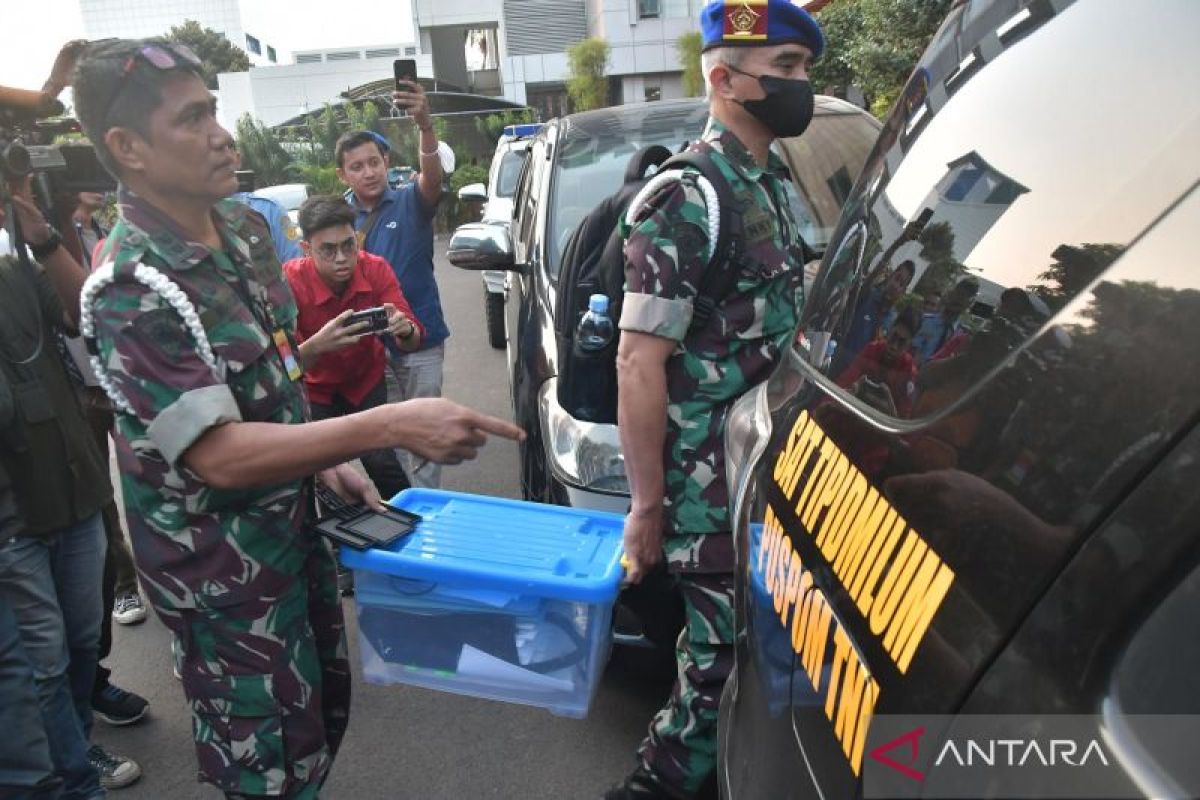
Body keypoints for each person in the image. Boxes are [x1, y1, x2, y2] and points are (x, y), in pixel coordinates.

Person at [73, 38, 522, 800]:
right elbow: (214, 454)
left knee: (317, 724)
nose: (219, 132)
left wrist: (321, 458)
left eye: (213, 109)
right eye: (192, 118)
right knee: (266, 765)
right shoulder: (131, 282)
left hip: (291, 536)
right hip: (222, 580)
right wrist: (385, 426)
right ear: (128, 148)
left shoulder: (243, 236)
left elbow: (272, 377)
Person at [609, 3, 824, 798]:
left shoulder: (767, 184)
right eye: (788, 70)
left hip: (762, 470)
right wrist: (646, 506)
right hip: (707, 486)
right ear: (725, 79)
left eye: (804, 69)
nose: (802, 87)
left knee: (753, 665)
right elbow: (639, 361)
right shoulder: (687, 197)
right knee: (719, 666)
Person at [0, 179, 141, 796]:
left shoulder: (13, 270)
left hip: (76, 492)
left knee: (83, 644)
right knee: (45, 664)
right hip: (12, 520)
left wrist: (43, 238)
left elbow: (86, 314)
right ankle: (76, 774)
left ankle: (76, 744)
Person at [336, 103, 450, 489]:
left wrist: (424, 124)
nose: (368, 172)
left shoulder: (410, 201)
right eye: (357, 166)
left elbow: (432, 178)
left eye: (374, 162)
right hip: (367, 348)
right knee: (390, 432)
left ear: (386, 163)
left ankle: (429, 505)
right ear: (343, 174)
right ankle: (406, 504)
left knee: (426, 426)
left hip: (422, 340)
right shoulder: (338, 220)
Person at [284, 194, 423, 503]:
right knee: (324, 471)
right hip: (316, 390)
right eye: (328, 250)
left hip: (365, 380)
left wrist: (405, 329)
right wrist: (315, 347)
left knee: (382, 461)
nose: (343, 258)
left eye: (349, 245)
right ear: (306, 249)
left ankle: (414, 523)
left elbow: (413, 341)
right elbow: (282, 367)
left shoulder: (375, 269)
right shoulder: (287, 283)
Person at [831, 258, 915, 376]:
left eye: (902, 284)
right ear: (890, 276)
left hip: (858, 378)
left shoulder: (893, 321)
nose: (896, 286)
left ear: (904, 292)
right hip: (835, 363)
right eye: (897, 279)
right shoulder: (866, 295)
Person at [230, 164, 304, 263]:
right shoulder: (205, 215)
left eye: (226, 148)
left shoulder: (270, 209)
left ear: (237, 158)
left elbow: (294, 262)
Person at [911, 275, 979, 365]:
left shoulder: (962, 337)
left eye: (967, 295)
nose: (960, 298)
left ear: (970, 303)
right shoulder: (924, 321)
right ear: (950, 293)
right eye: (959, 292)